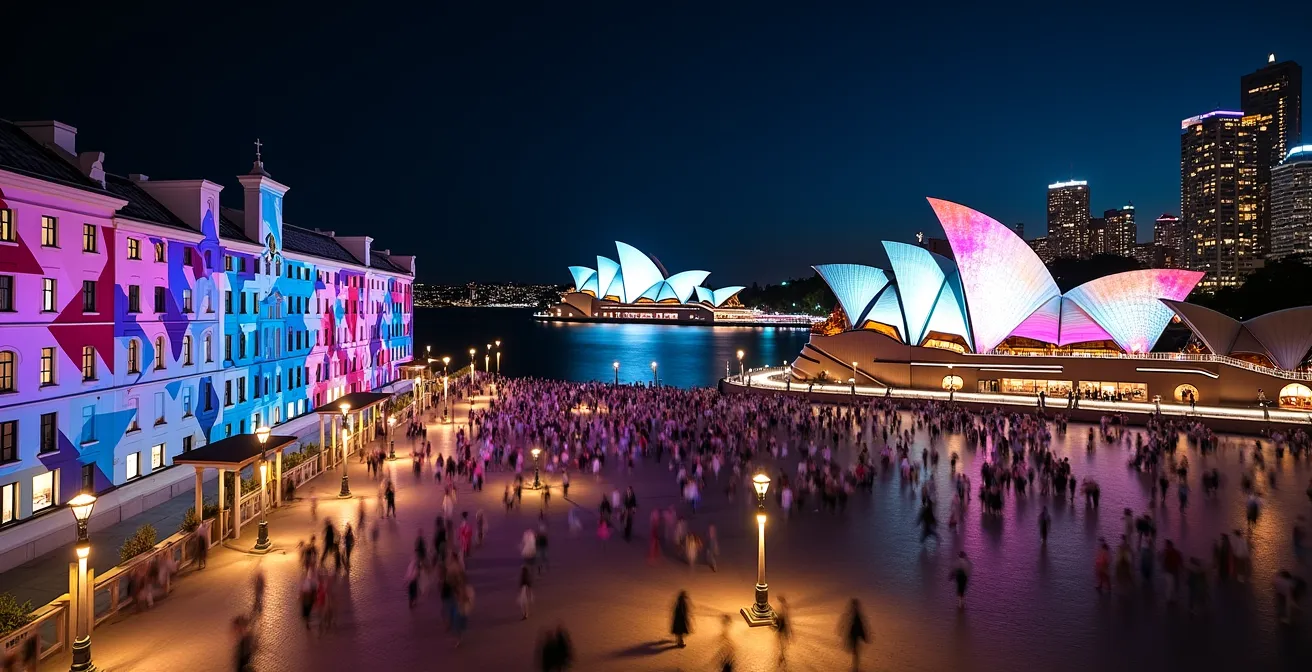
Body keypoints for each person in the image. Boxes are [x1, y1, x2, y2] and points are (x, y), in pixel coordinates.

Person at [841, 598, 869, 672]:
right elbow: (860, 626)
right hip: (854, 635)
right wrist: (864, 636)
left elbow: (858, 625)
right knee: (855, 651)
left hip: (853, 636)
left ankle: (855, 667)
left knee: (855, 651)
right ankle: (855, 667)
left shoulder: (851, 614)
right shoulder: (854, 614)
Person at [774, 595, 792, 664]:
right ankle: (782, 655)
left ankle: (782, 655)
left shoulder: (783, 609)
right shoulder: (784, 608)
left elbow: (784, 619)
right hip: (782, 628)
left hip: (782, 628)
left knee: (781, 642)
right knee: (782, 642)